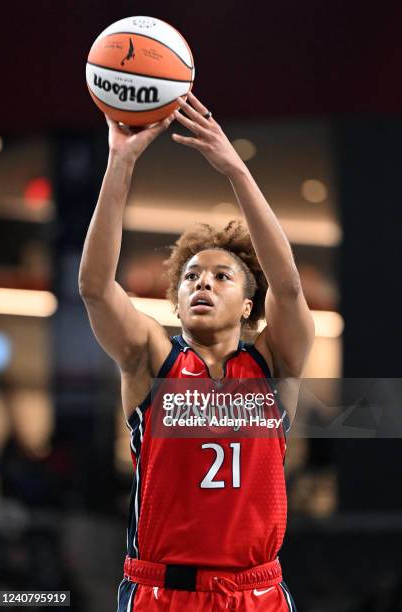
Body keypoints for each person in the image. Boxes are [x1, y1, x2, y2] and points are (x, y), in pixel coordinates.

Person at [78, 91, 315, 611]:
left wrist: (234, 168)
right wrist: (120, 162)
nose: (202, 283)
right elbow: (96, 289)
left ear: (250, 302)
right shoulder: (151, 359)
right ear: (177, 299)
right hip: (165, 592)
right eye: (190, 277)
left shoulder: (275, 364)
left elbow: (291, 288)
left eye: (221, 276)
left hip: (257, 591)